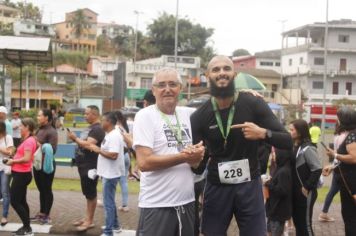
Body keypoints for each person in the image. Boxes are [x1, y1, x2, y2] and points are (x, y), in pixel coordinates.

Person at [190, 55, 292, 236]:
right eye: (216, 69)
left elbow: (287, 140)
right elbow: (199, 169)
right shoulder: (198, 116)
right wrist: (194, 160)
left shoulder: (253, 103)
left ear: (234, 75)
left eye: (226, 69)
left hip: (249, 184)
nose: (222, 73)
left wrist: (262, 133)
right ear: (207, 75)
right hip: (217, 186)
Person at [133, 67, 205, 236]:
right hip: (157, 204)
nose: (167, 89)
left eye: (172, 84)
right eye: (161, 85)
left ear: (180, 88)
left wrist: (245, 94)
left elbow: (219, 108)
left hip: (187, 203)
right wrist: (185, 157)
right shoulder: (145, 116)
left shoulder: (190, 114)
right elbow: (144, 163)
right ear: (153, 90)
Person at [68, 105, 105, 232]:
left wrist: (74, 138)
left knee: (91, 193)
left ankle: (89, 221)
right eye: (84, 113)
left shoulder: (97, 129)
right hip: (84, 165)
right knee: (88, 194)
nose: (84, 116)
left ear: (95, 114)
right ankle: (87, 218)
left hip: (90, 166)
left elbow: (88, 144)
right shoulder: (91, 128)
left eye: (87, 113)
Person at [89, 112, 124, 236]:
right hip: (108, 173)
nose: (101, 122)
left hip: (111, 175)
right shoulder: (110, 134)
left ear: (108, 122)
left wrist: (98, 149)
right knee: (110, 201)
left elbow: (114, 155)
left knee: (108, 204)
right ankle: (115, 226)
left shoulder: (114, 136)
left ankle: (109, 231)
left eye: (103, 120)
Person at [323, 107, 356, 236]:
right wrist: (333, 167)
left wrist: (335, 155)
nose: (337, 120)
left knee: (350, 217)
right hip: (348, 180)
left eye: (338, 117)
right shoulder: (351, 133)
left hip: (351, 183)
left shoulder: (352, 135)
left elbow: (353, 158)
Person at [289, 119, 322, 236]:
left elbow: (317, 169)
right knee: (298, 223)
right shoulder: (295, 146)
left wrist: (307, 186)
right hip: (295, 192)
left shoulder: (308, 148)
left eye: (292, 130)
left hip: (306, 192)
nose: (289, 132)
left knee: (305, 224)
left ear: (299, 132)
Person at [6, 118, 37, 236]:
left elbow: (27, 158)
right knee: (22, 201)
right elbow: (24, 155)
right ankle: (26, 227)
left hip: (22, 175)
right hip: (22, 174)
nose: (19, 128)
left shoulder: (29, 141)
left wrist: (12, 162)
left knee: (14, 201)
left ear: (27, 127)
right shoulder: (27, 140)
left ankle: (28, 228)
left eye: (21, 126)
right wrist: (14, 154)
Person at [31, 109, 58, 224]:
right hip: (37, 164)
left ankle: (47, 215)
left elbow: (53, 150)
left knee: (47, 189)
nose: (37, 117)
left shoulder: (52, 131)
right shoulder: (39, 129)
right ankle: (42, 213)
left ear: (46, 117)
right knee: (41, 189)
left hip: (47, 165)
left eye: (39, 115)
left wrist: (37, 144)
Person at [319, 122, 346, 222]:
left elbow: (336, 154)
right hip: (343, 168)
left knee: (332, 191)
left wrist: (332, 166)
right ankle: (323, 213)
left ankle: (323, 213)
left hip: (337, 167)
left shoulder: (337, 136)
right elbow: (340, 155)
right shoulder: (346, 136)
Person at [264, 149, 292, 236]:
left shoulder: (284, 171)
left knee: (275, 232)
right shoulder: (279, 168)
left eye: (275, 153)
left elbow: (282, 191)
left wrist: (269, 184)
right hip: (273, 210)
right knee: (269, 231)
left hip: (278, 211)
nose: (273, 155)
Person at [115, 110, 132, 212]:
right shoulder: (124, 128)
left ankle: (106, 201)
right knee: (124, 181)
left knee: (109, 180)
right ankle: (125, 205)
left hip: (119, 156)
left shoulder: (116, 128)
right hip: (126, 155)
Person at [0, 121, 14, 226]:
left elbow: (10, 152)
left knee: (5, 192)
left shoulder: (8, 138)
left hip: (5, 169)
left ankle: (4, 216)